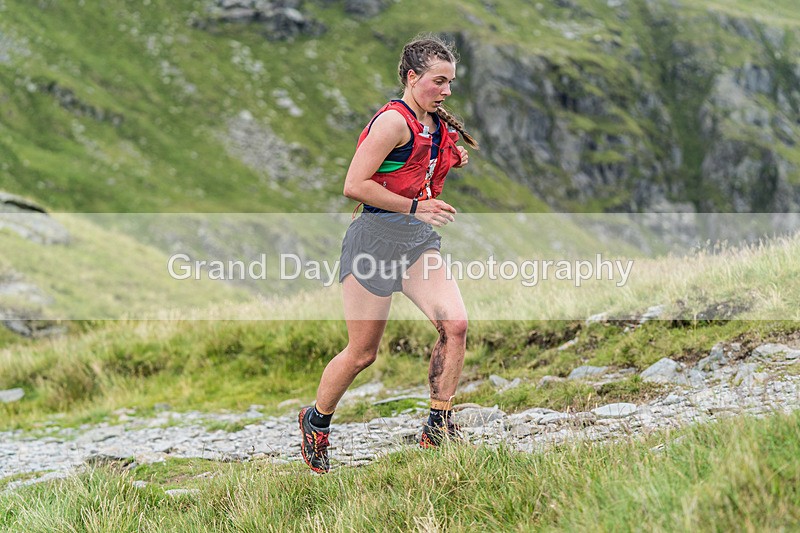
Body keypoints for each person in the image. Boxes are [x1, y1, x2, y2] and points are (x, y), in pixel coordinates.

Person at [299, 34, 479, 474]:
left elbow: (413, 166)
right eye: (439, 81)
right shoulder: (392, 122)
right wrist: (418, 205)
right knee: (363, 354)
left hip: (416, 242)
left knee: (455, 325)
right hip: (372, 241)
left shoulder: (435, 124)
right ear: (412, 77)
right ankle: (316, 421)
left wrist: (444, 160)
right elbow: (354, 186)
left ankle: (438, 428)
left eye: (451, 82)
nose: (447, 91)